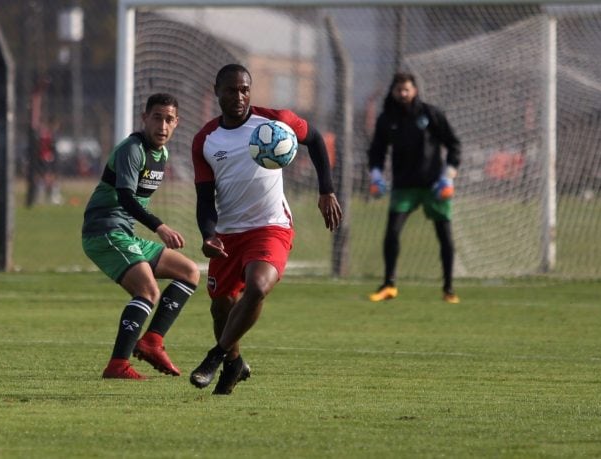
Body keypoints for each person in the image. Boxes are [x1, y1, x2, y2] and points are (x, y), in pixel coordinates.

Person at [189, 64, 343, 395]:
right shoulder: (205, 140)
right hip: (228, 233)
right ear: (217, 91)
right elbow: (204, 199)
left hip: (270, 226)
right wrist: (208, 234)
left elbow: (314, 139)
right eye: (231, 90)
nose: (239, 96)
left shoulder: (277, 121)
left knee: (258, 286)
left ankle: (215, 357)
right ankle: (234, 365)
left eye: (245, 89)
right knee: (221, 307)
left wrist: (326, 190)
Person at [82, 93, 200, 380]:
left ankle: (152, 341)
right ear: (144, 117)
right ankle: (117, 365)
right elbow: (124, 197)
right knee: (147, 291)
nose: (162, 125)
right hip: (104, 231)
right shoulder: (132, 149)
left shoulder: (163, 154)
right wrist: (159, 226)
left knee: (189, 272)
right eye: (157, 117)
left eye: (169, 119)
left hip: (124, 233)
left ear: (177, 123)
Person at [366, 72, 462, 304]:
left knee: (445, 236)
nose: (403, 94)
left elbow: (454, 144)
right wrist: (376, 176)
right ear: (393, 91)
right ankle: (389, 285)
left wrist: (448, 177)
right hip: (404, 186)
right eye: (399, 90)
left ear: (415, 90)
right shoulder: (386, 118)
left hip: (434, 186)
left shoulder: (431, 114)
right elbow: (376, 152)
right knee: (392, 233)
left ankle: (448, 288)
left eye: (407, 89)